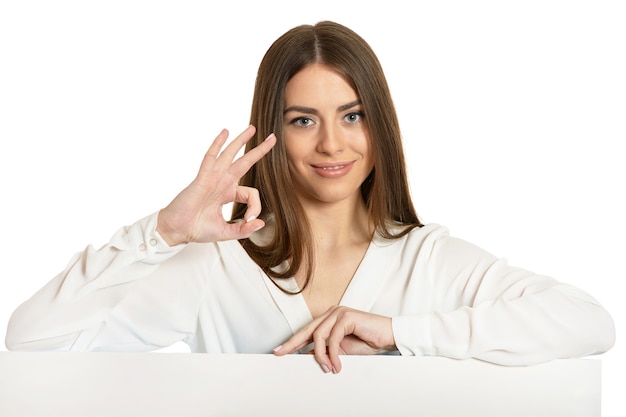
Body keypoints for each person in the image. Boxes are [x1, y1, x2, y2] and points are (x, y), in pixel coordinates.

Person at [5, 20, 615, 374]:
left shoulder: (426, 261)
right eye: (303, 120)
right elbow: (33, 341)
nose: (332, 143)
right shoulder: (217, 266)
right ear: (273, 130)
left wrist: (397, 331)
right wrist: (161, 233)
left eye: (351, 115)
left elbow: (589, 322)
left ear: (378, 124)